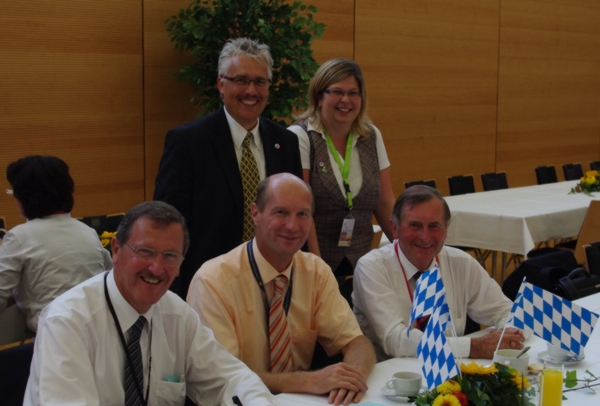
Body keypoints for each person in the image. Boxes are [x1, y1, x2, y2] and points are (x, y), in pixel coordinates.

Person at [24, 201, 276, 406]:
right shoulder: (67, 322)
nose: (156, 268)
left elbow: (232, 378)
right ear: (116, 250)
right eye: (145, 252)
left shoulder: (177, 315)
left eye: (170, 256)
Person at [187, 174, 375, 406]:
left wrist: (351, 378)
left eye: (302, 214)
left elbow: (357, 342)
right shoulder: (213, 281)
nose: (292, 226)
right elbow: (220, 377)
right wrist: (309, 381)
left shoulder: (316, 271)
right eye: (281, 212)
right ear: (255, 213)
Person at [154, 37, 302, 299]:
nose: (251, 90)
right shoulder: (188, 142)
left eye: (260, 81)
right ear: (221, 84)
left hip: (273, 285)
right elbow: (168, 224)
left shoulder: (286, 142)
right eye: (241, 80)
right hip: (208, 287)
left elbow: (296, 214)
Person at [352, 185, 526, 361]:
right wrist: (475, 347)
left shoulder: (461, 263)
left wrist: (508, 335)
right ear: (395, 228)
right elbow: (396, 341)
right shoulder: (372, 268)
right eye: (415, 225)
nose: (425, 237)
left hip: (454, 368)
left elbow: (508, 311)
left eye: (434, 226)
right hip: (394, 372)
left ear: (446, 228)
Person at [288, 58, 395, 272]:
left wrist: (407, 250)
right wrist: (318, 268)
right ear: (319, 96)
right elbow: (301, 210)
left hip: (363, 264)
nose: (345, 100)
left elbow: (385, 202)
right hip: (314, 264)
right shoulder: (301, 137)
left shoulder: (371, 136)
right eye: (337, 92)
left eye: (353, 93)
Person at [0, 155, 112, 333]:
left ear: (23, 197)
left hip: (53, 334)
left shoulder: (18, 237)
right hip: (99, 328)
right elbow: (111, 279)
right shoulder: (87, 231)